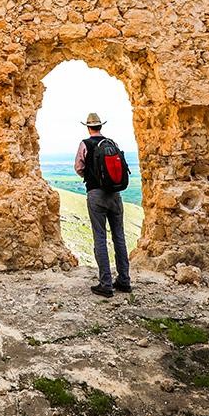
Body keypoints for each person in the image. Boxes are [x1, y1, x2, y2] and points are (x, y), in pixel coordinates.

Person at [74, 112, 131, 297]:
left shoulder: (85, 144)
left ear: (88, 127)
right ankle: (124, 280)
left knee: (100, 237)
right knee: (119, 237)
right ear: (100, 126)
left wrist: (92, 176)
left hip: (96, 195)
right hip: (115, 194)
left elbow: (79, 167)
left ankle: (105, 284)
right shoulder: (112, 143)